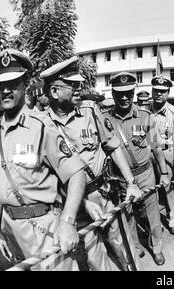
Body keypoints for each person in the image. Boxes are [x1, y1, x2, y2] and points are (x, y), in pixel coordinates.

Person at [41, 56, 143, 271]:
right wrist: (83, 202)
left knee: (123, 246)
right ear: (54, 92)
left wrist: (131, 182)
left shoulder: (89, 110)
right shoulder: (42, 126)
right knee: (95, 258)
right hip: (74, 204)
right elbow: (50, 177)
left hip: (105, 193)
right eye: (72, 85)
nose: (79, 89)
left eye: (79, 84)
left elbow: (113, 147)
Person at [0, 49, 87, 270]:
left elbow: (76, 173)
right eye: (2, 84)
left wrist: (67, 221)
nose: (5, 90)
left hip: (43, 228)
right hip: (11, 229)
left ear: (25, 84)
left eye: (13, 83)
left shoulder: (41, 126)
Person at [104, 72, 170, 266]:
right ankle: (136, 247)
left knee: (152, 215)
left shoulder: (145, 116)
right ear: (113, 94)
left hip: (146, 174)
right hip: (122, 179)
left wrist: (164, 173)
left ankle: (156, 248)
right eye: (119, 94)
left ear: (134, 92)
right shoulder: (105, 120)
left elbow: (157, 148)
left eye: (129, 93)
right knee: (128, 215)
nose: (124, 97)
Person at [149, 75, 174, 237]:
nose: (159, 94)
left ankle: (172, 221)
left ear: (168, 93)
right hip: (148, 155)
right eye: (156, 90)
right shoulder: (143, 111)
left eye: (163, 92)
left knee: (170, 190)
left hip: (166, 154)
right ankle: (154, 223)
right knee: (150, 192)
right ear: (152, 91)